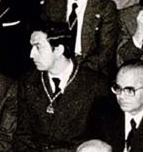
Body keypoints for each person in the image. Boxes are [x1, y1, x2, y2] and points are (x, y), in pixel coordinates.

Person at [14, 20, 109, 150]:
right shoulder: (28, 82)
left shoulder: (95, 84)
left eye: (38, 47)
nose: (31, 54)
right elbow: (22, 136)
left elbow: (101, 140)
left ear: (59, 49)